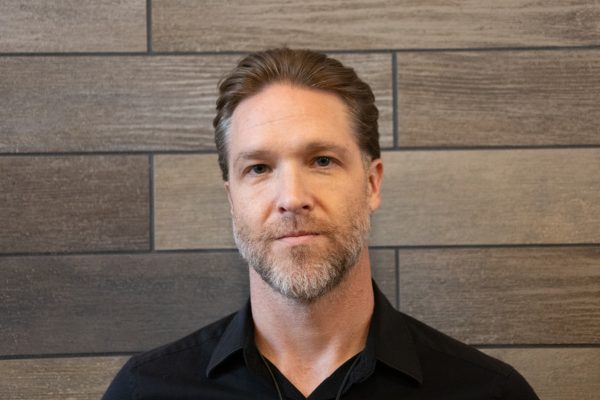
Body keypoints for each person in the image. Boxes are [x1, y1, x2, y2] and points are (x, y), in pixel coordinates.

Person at [102, 48, 539, 399]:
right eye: (258, 168)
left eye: (322, 160)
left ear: (371, 184)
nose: (292, 198)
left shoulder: (488, 391)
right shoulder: (145, 390)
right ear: (231, 198)